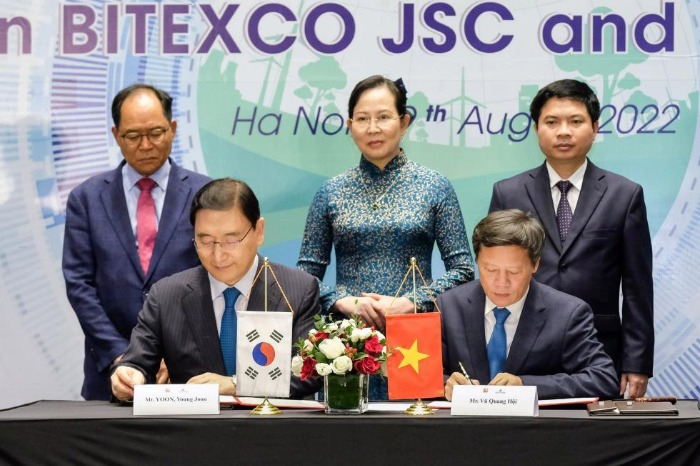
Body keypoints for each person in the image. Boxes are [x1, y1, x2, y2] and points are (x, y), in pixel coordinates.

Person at [297, 75, 474, 400]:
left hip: (414, 339)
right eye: (362, 119)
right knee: (345, 437)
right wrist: (342, 300)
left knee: (415, 438)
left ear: (404, 122)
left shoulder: (435, 186)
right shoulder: (330, 192)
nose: (373, 128)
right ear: (350, 125)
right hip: (345, 342)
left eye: (383, 117)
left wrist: (411, 302)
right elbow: (304, 278)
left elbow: (463, 271)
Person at [488, 79, 653, 398]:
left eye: (575, 121)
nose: (564, 131)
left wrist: (637, 362)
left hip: (597, 350)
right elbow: (493, 275)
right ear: (537, 129)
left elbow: (637, 288)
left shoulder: (625, 195)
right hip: (520, 348)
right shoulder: (508, 193)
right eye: (552, 122)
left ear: (594, 127)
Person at [62, 84, 211, 400]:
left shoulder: (207, 196)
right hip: (109, 375)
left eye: (156, 132)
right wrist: (122, 357)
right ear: (116, 135)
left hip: (188, 375)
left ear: (172, 128)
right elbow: (79, 285)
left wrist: (175, 353)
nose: (146, 145)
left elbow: (217, 276)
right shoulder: (86, 199)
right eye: (132, 136)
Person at [111, 178, 322, 400]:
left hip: (271, 430)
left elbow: (308, 373)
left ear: (259, 231)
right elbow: (137, 362)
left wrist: (236, 384)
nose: (218, 255)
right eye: (206, 241)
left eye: (231, 241)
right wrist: (127, 376)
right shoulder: (165, 295)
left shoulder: (297, 290)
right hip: (193, 431)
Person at [441, 210, 619, 401]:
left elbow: (603, 379)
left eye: (514, 272)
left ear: (535, 265)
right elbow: (418, 377)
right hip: (467, 428)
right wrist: (446, 385)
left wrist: (524, 385)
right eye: (490, 269)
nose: (501, 282)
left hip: (535, 429)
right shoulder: (449, 306)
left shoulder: (568, 313)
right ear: (477, 262)